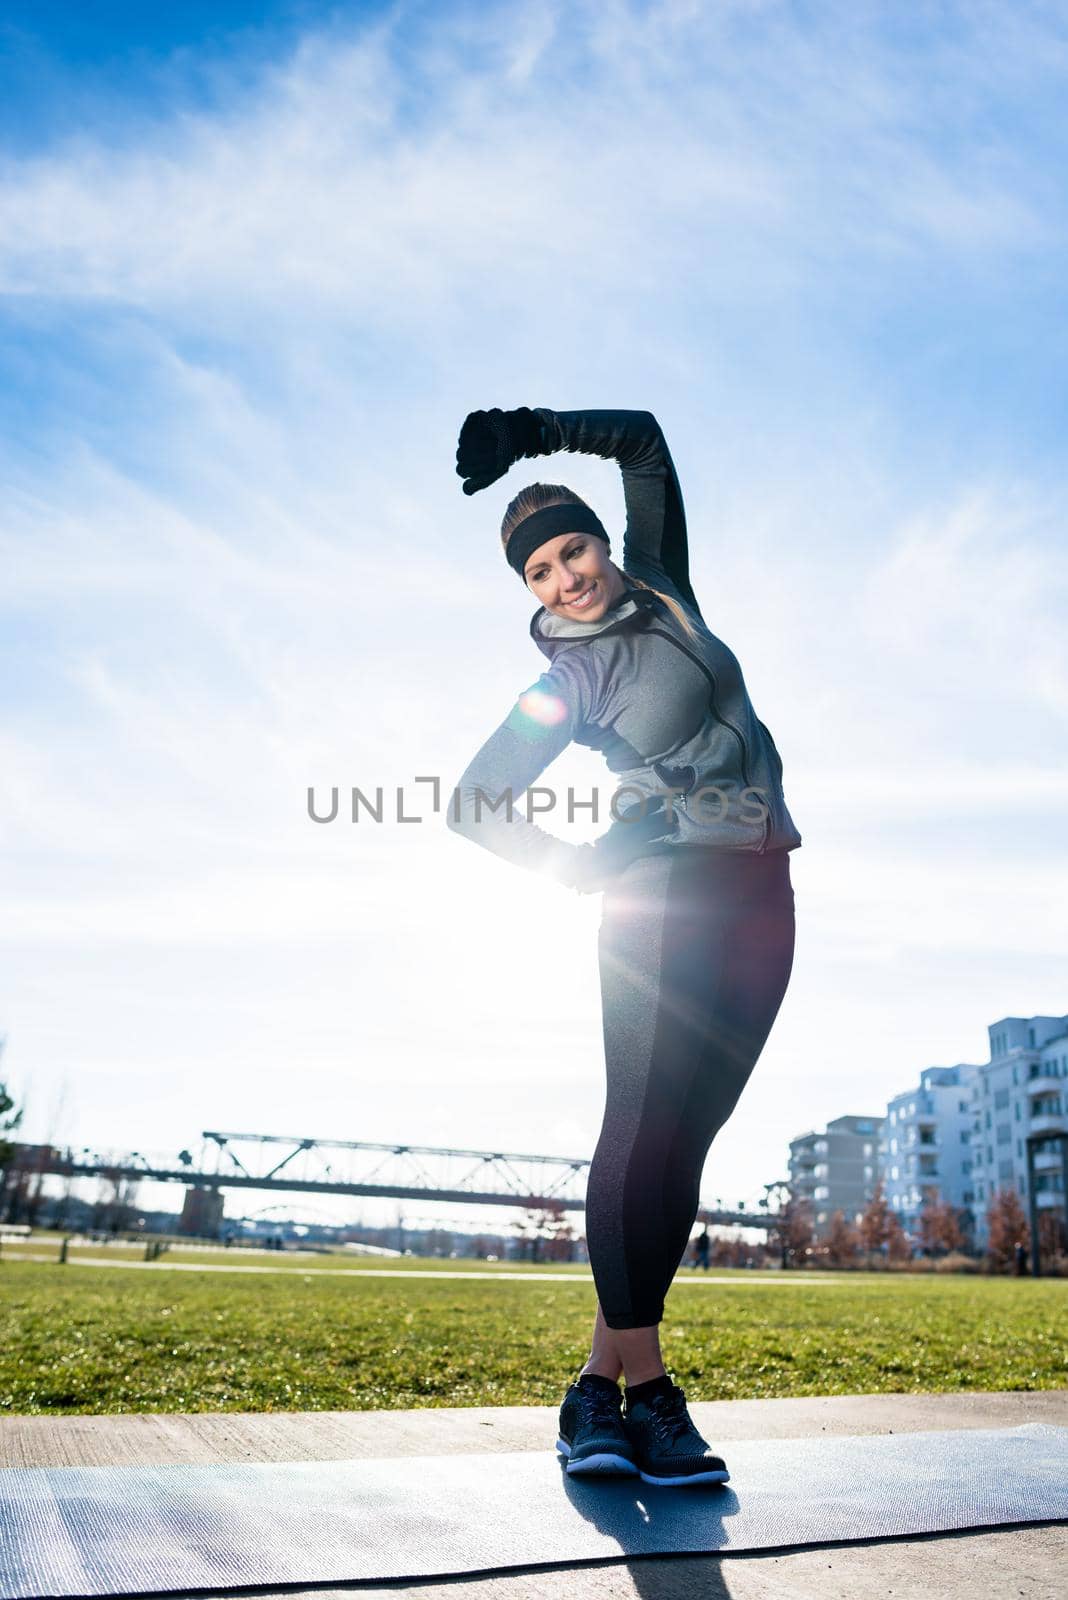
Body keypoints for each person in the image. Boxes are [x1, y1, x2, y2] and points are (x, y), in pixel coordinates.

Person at [448, 405, 800, 1487]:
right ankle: (649, 1395)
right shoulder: (564, 681)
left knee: (683, 1146)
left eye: (572, 549)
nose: (565, 578)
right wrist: (591, 864)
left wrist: (541, 431)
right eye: (540, 572)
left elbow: (644, 442)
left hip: (761, 889)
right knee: (640, 1130)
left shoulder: (665, 585)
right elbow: (477, 802)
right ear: (532, 594)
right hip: (656, 898)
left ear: (604, 543)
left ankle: (593, 1391)